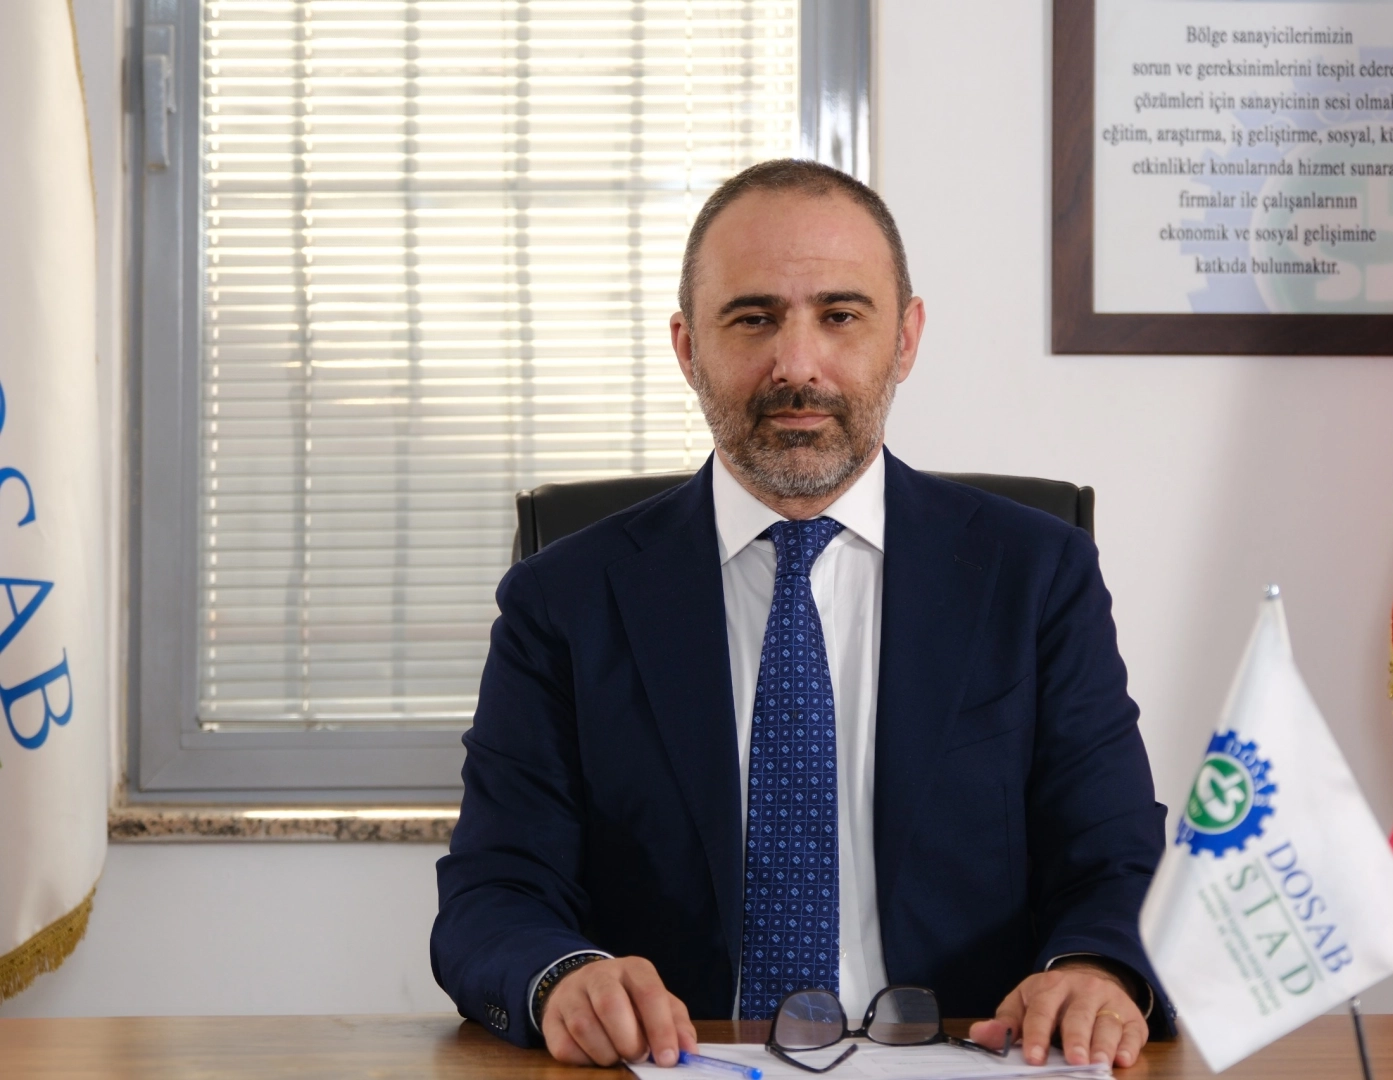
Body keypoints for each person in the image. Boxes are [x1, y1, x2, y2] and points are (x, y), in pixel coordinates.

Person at [431, 159, 1171, 1071]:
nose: (796, 365)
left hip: (962, 1060)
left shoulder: (1034, 574)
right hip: (681, 1065)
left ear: (905, 339)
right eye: (752, 318)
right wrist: (562, 978)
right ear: (686, 348)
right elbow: (495, 890)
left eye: (840, 315)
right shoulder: (564, 598)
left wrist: (1094, 971)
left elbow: (1115, 858)